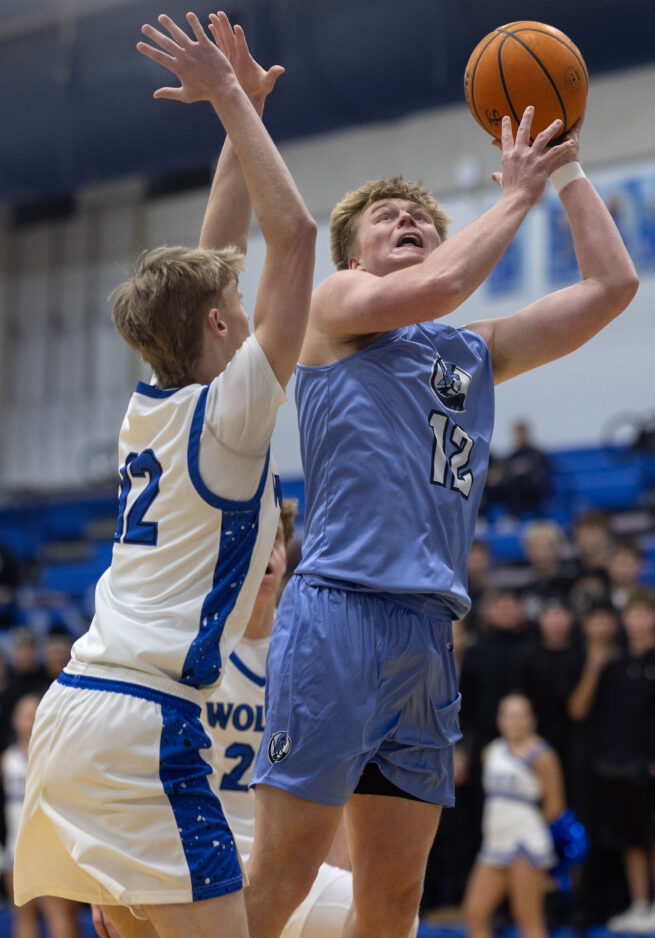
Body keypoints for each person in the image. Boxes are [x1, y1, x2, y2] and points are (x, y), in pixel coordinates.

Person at [246, 99, 639, 938]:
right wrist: (516, 194)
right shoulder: (335, 307)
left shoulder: (469, 352)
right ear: (354, 255)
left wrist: (564, 170)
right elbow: (444, 284)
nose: (409, 221)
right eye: (388, 217)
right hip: (339, 613)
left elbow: (612, 288)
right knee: (283, 877)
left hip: (426, 636)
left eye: (420, 217)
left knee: (393, 899)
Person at [13, 11, 316, 938]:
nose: (244, 299)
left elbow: (218, 252)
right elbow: (296, 236)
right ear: (219, 325)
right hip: (144, 724)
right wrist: (229, 100)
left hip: (77, 711)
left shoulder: (151, 403)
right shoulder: (231, 414)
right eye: (234, 300)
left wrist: (239, 114)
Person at [93, 500, 417, 938]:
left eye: (275, 541)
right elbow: (127, 765)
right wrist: (102, 878)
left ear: (286, 556)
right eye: (255, 541)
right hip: (193, 858)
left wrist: (332, 869)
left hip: (280, 862)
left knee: (392, 917)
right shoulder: (184, 645)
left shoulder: (315, 653)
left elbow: (338, 782)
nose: (267, 552)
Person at [462, 694, 565, 938]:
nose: (514, 721)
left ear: (531, 719)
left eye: (520, 715)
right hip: (495, 842)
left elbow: (556, 805)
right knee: (475, 913)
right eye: (508, 715)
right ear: (500, 719)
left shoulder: (542, 755)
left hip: (525, 843)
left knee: (526, 916)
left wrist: (531, 831)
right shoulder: (491, 751)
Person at [2, 692, 82, 938]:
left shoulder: (58, 755)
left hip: (52, 845)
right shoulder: (6, 760)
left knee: (59, 913)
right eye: (24, 715)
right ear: (14, 719)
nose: (29, 720)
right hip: (16, 847)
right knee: (22, 914)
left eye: (34, 714)